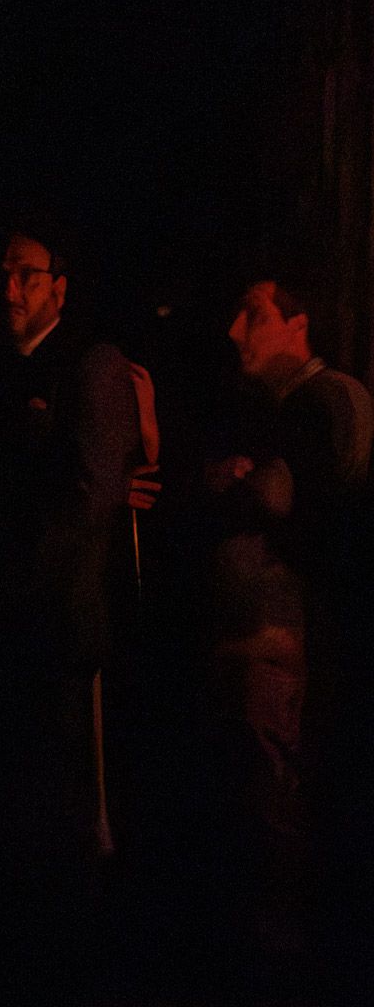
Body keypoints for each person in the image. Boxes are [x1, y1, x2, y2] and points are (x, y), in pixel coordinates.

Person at [0, 225, 145, 1002]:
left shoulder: (89, 366)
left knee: (59, 820)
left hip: (52, 630)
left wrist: (5, 586)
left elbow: (89, 501)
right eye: (3, 275)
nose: (11, 289)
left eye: (26, 274)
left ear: (59, 284)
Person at [204, 277, 371, 988]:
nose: (238, 331)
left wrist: (246, 489)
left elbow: (321, 516)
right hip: (278, 646)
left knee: (281, 804)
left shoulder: (323, 402)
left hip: (297, 651)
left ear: (299, 325)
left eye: (256, 315)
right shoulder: (290, 411)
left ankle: (283, 966)